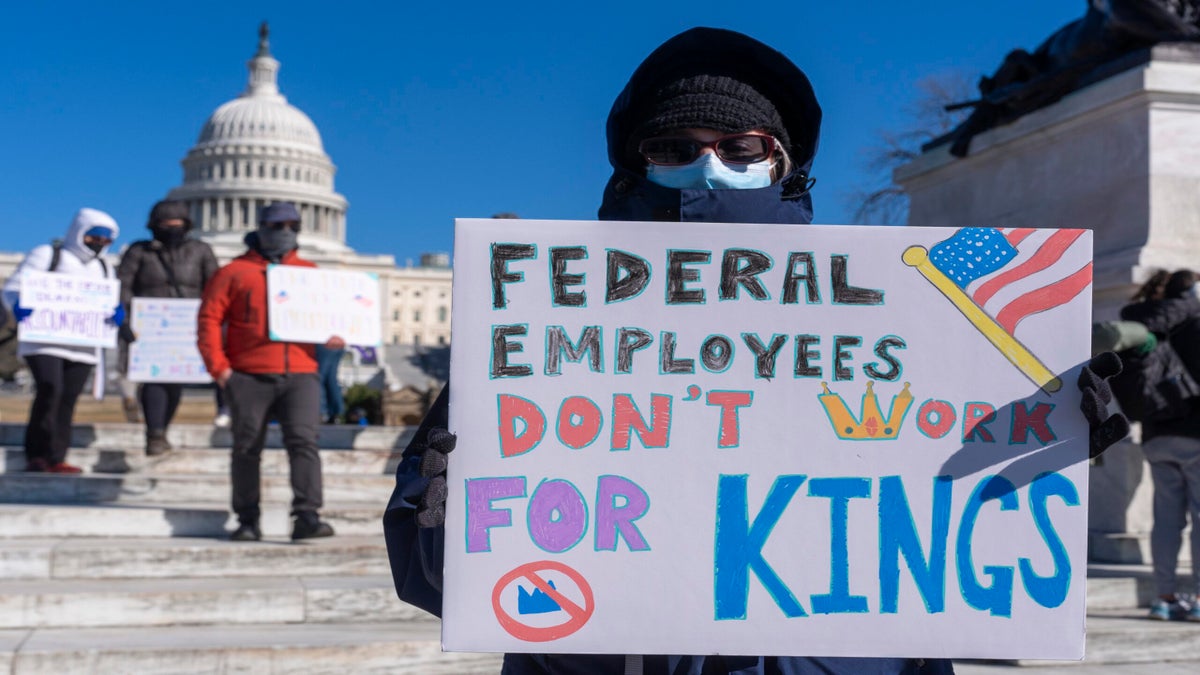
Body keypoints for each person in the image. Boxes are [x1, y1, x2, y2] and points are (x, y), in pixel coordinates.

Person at [384, 27, 1126, 675]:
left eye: (739, 147)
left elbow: (957, 513)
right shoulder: (544, 326)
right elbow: (437, 582)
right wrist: (443, 518)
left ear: (782, 162)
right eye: (673, 148)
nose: (707, 164)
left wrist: (1046, 434)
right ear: (634, 165)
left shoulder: (898, 319)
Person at [197, 201, 343, 541]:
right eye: (278, 226)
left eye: (292, 225)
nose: (285, 232)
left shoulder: (310, 273)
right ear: (261, 228)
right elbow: (209, 320)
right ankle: (247, 519)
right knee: (247, 448)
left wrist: (336, 337)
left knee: (305, 443)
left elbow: (329, 319)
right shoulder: (233, 273)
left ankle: (307, 516)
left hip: (301, 372)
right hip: (248, 374)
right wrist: (219, 369)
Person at [2, 208, 122, 473]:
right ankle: (36, 453)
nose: (99, 245)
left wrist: (115, 312)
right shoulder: (48, 255)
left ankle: (57, 456)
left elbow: (109, 298)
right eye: (94, 237)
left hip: (83, 345)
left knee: (68, 398)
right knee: (49, 388)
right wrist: (18, 305)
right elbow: (13, 287)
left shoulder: (104, 266)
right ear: (79, 232)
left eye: (106, 240)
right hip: (44, 340)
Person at [1118, 269, 1200, 621]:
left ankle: (1163, 597)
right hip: (1196, 434)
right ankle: (1197, 600)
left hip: (1155, 434)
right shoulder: (1195, 322)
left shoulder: (1146, 319)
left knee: (1166, 520)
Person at [116, 200, 219, 456]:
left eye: (178, 225)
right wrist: (124, 320)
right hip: (149, 328)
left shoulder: (201, 251)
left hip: (186, 328)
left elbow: (214, 288)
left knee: (174, 384)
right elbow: (124, 286)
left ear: (187, 225)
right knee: (153, 380)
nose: (172, 230)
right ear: (154, 226)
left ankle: (161, 429)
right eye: (166, 225)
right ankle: (155, 433)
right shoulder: (139, 252)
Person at [315, 343, 345, 424]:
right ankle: (335, 412)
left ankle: (322, 412)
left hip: (322, 341)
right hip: (338, 343)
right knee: (331, 378)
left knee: (319, 378)